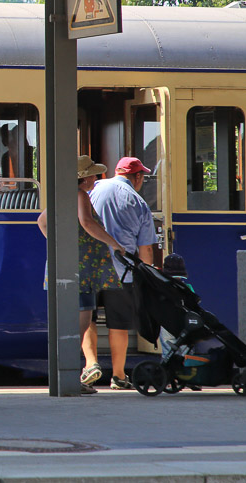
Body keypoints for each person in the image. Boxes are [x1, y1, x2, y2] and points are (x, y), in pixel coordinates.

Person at [37, 155, 124, 394]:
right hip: (81, 270)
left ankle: (68, 374)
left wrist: (59, 247)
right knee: (81, 322)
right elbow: (87, 223)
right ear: (83, 179)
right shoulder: (80, 196)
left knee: (70, 321)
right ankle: (69, 376)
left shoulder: (61, 197)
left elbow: (41, 222)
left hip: (66, 266)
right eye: (93, 175)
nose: (96, 179)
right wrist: (114, 243)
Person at [88, 157, 157, 390]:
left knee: (86, 319)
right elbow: (146, 248)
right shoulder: (138, 202)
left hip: (91, 267)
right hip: (122, 271)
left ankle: (91, 364)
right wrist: (147, 275)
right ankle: (118, 376)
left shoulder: (94, 189)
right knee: (118, 325)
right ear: (136, 177)